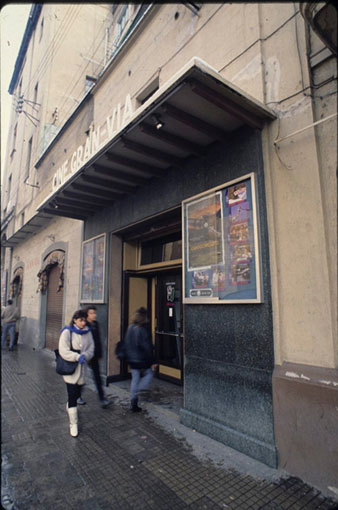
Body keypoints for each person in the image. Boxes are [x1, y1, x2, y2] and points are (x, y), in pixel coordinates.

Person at [58, 309, 94, 437]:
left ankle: (70, 404)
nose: (83, 323)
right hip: (70, 370)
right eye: (81, 320)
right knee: (72, 395)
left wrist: (85, 355)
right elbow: (63, 350)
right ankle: (73, 424)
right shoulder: (67, 332)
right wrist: (76, 357)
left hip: (82, 370)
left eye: (85, 320)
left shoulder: (87, 333)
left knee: (78, 392)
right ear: (75, 320)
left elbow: (91, 348)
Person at [123, 307, 157, 412]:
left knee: (135, 379)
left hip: (132, 359)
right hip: (141, 359)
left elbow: (126, 343)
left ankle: (133, 403)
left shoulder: (130, 327)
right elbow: (147, 347)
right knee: (149, 374)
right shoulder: (142, 329)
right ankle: (138, 391)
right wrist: (153, 361)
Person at [77, 306, 108, 408]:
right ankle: (77, 396)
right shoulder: (85, 326)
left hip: (94, 355)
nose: (94, 315)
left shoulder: (96, 324)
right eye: (92, 313)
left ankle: (102, 398)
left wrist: (99, 354)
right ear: (87, 315)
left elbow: (98, 341)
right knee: (82, 376)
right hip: (85, 355)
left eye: (95, 313)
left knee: (97, 377)